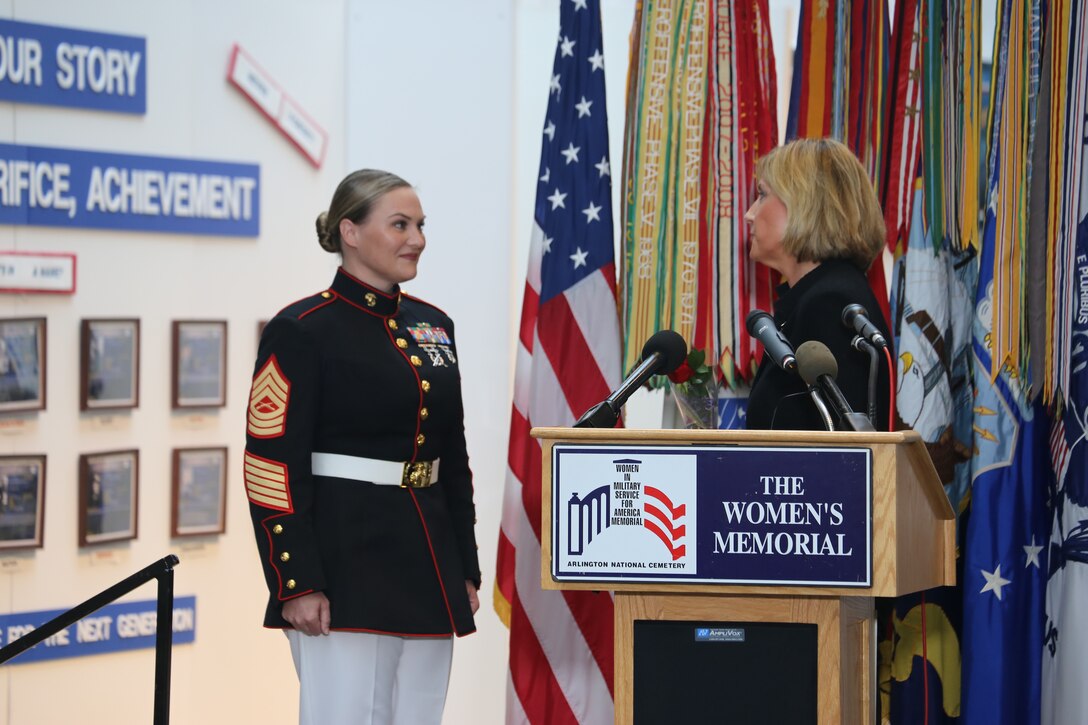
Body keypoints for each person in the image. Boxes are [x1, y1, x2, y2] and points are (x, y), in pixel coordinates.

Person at [243, 169, 481, 725]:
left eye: (420, 225)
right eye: (399, 224)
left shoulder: (433, 325)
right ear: (349, 231)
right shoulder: (302, 328)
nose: (416, 238)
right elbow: (270, 465)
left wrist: (463, 566)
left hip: (426, 564)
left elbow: (453, 457)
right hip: (344, 569)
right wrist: (295, 581)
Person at [743, 137, 893, 431]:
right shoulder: (819, 296)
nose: (749, 214)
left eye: (762, 195)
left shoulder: (830, 304)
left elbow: (830, 452)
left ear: (804, 204)